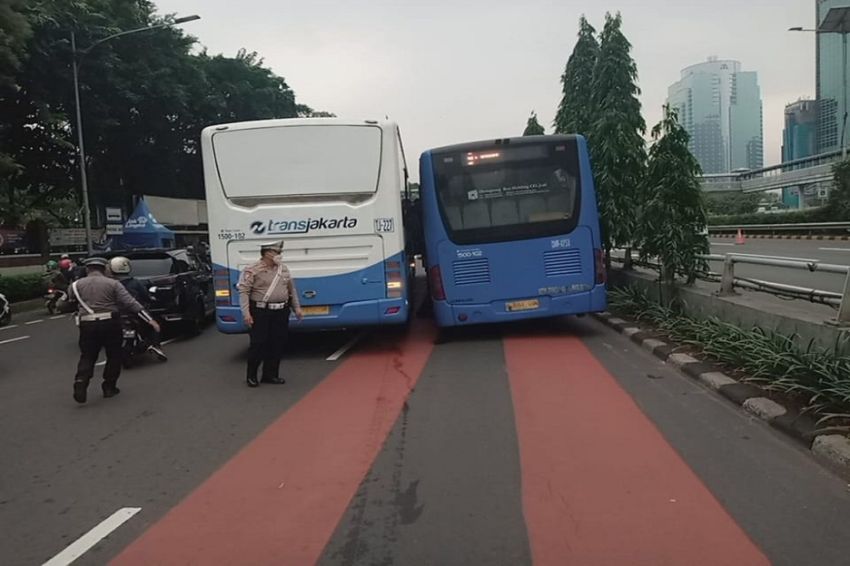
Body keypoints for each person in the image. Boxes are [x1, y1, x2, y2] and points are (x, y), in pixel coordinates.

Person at [62, 257, 160, 404]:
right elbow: (130, 303)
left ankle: (81, 381)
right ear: (104, 269)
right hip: (110, 322)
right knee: (114, 355)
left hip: (87, 324)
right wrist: (149, 320)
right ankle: (109, 387)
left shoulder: (75, 285)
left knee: (87, 355)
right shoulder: (113, 284)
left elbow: (67, 304)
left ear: (88, 269)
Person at [237, 240, 303, 388]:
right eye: (276, 252)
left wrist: (297, 308)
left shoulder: (283, 269)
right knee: (258, 343)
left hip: (281, 311)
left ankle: (270, 374)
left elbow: (291, 290)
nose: (279, 255)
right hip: (260, 311)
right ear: (267, 253)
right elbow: (244, 292)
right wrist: (246, 313)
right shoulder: (252, 269)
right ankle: (251, 376)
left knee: (277, 343)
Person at [108, 256, 167, 361]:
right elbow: (145, 296)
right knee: (155, 325)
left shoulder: (111, 284)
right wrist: (151, 299)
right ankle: (156, 346)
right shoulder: (135, 282)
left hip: (117, 313)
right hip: (137, 311)